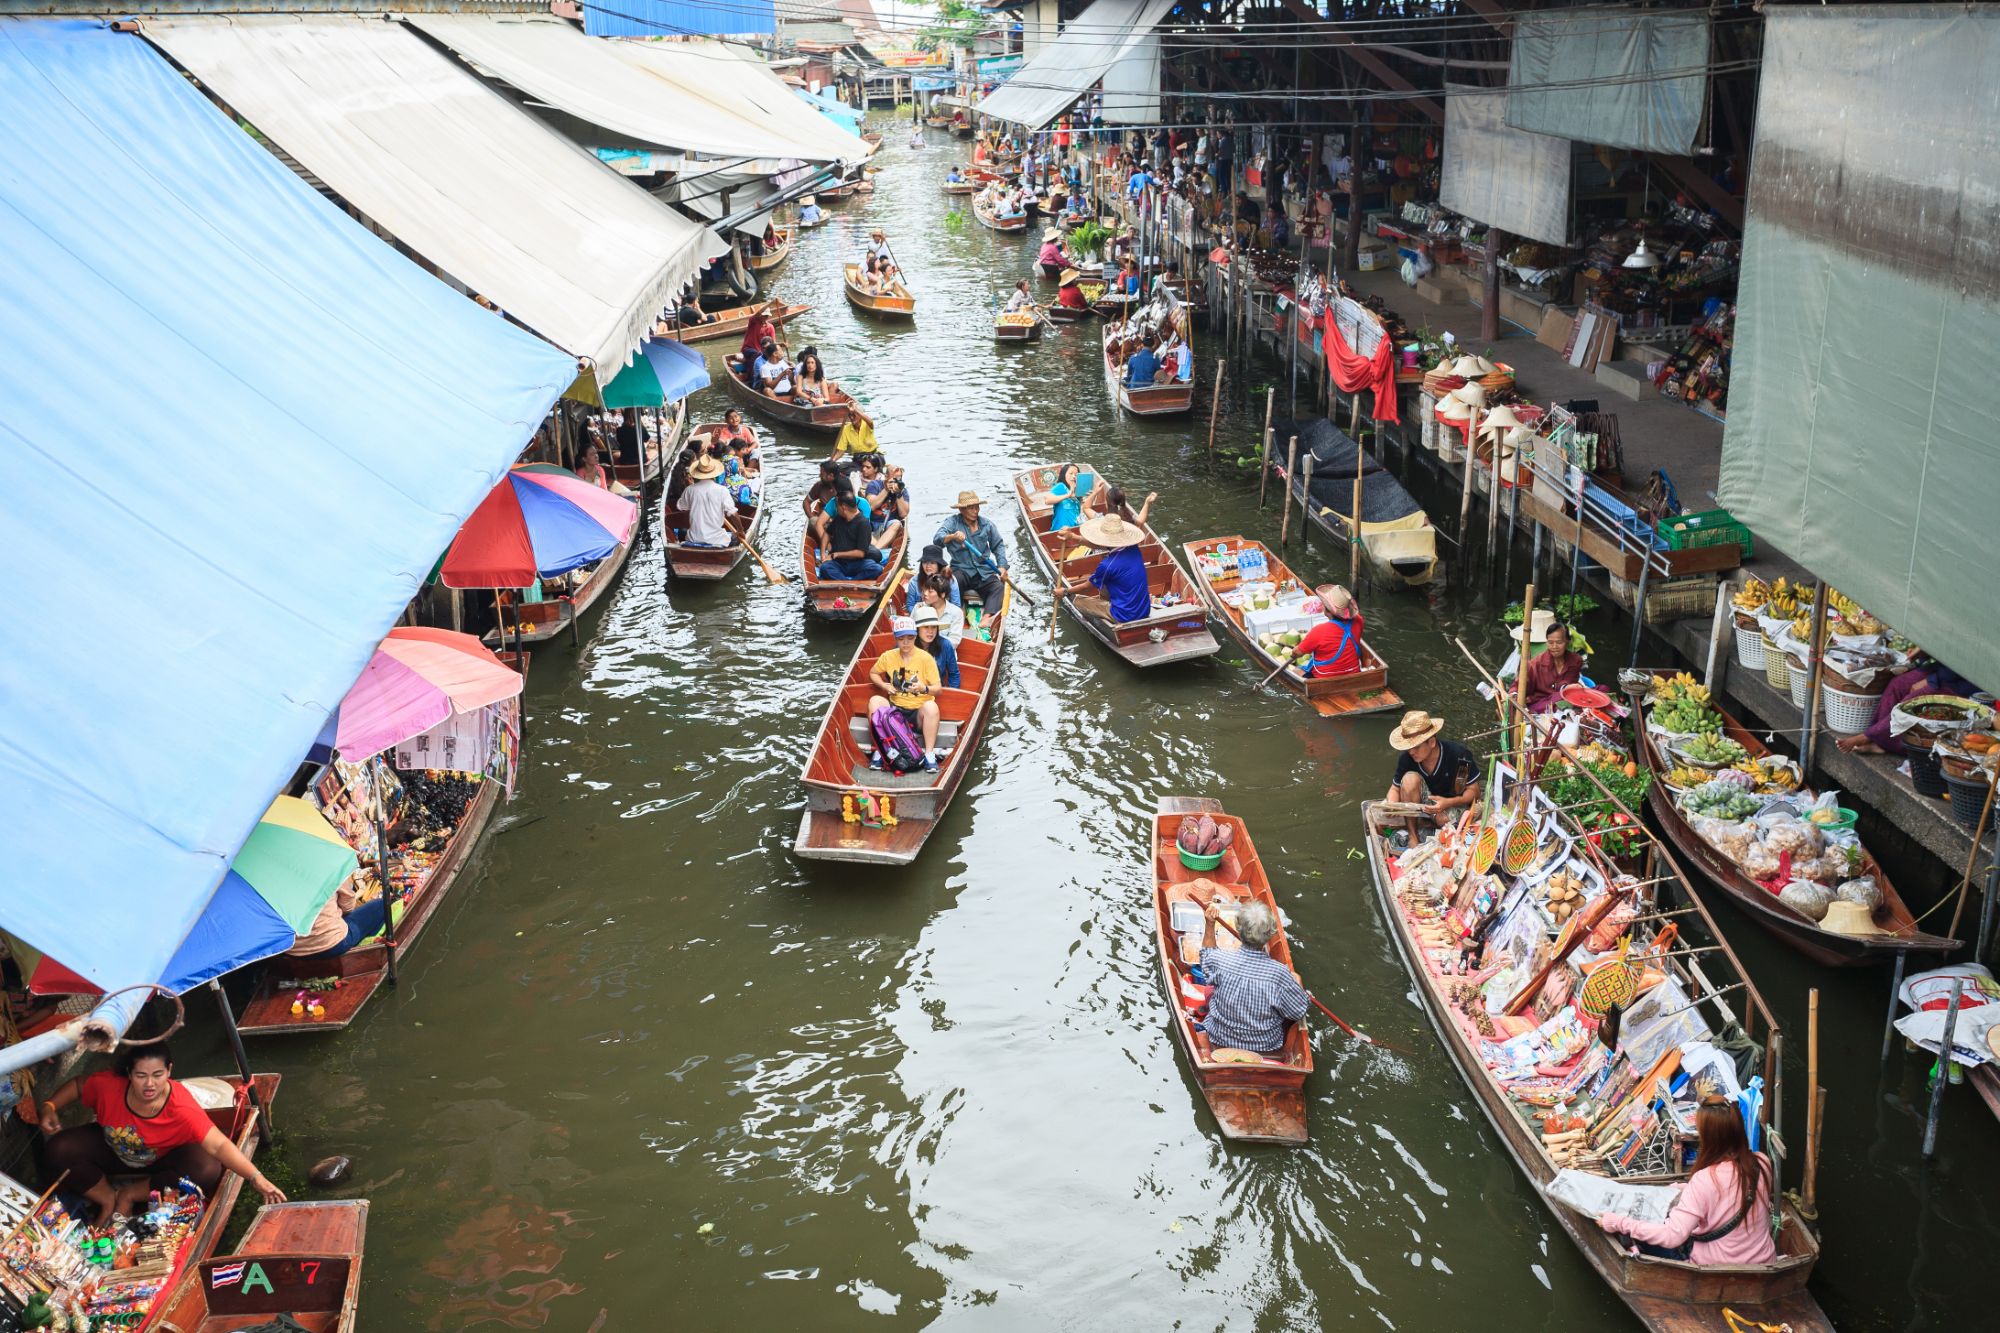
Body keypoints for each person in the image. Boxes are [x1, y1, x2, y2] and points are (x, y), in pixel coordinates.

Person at [38, 1044, 287, 1224]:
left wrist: (256, 1178)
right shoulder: (108, 1086)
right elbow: (79, 1085)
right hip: (113, 1149)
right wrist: (49, 1106)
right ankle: (106, 1199)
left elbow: (219, 1145)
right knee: (58, 1149)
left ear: (169, 1071)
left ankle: (130, 1194)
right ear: (129, 1073)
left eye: (157, 1075)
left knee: (206, 1169)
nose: (150, 1084)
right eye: (141, 1076)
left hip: (161, 1158)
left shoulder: (181, 1107)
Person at [1598, 1098, 1776, 1266]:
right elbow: (1729, 1194)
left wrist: (1619, 1223)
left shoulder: (1705, 1179)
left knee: (1639, 1233)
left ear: (1708, 1138)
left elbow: (1672, 1236)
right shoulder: (1761, 1162)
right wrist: (1685, 1188)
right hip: (1764, 1261)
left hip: (1716, 1266)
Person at [1187, 891, 1308, 1057]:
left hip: (1220, 1039)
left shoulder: (1220, 961)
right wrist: (1298, 987)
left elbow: (1206, 955)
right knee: (1296, 978)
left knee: (1209, 988)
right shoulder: (1279, 974)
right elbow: (1298, 1012)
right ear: (1270, 934)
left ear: (1238, 929)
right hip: (1265, 1046)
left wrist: (1210, 924)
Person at [1837, 653, 1976, 755]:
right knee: (1897, 684)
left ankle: (1867, 736)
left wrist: (1930, 680)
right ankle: (1879, 742)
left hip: (1962, 680)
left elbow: (1966, 661)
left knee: (1913, 700)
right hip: (1942, 668)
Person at [868, 616, 942, 773]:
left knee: (931, 707)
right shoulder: (888, 656)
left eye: (910, 638)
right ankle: (880, 750)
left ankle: (929, 755)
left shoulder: (926, 658)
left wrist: (923, 688)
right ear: (896, 639)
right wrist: (884, 685)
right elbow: (873, 673)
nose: (906, 643)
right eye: (901, 639)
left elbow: (938, 689)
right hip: (894, 712)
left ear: (915, 637)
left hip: (918, 712)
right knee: (875, 701)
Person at [1384, 711, 1482, 822]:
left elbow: (1473, 791)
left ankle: (1434, 820)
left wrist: (1448, 802)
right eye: (1409, 747)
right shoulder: (1406, 758)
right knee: (1408, 779)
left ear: (1431, 742)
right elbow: (1395, 789)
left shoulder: (1459, 755)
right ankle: (1413, 832)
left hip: (1454, 802)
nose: (1411, 752)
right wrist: (1391, 804)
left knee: (1443, 819)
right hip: (1424, 803)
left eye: (1416, 747)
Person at [1056, 513, 1151, 624]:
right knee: (1105, 583)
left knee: (1078, 601)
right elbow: (1099, 545)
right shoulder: (1133, 548)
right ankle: (1106, 604)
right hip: (1144, 611)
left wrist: (1065, 591)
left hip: (1123, 616)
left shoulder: (1107, 565)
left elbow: (1086, 587)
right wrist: (1072, 537)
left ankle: (1106, 617)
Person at [934, 489, 1009, 613]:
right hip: (961, 570)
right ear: (961, 510)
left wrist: (1002, 567)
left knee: (998, 587)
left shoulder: (987, 524)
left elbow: (998, 546)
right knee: (953, 583)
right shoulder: (952, 522)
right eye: (971, 508)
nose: (976, 511)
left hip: (984, 571)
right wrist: (952, 537)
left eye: (977, 507)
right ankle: (957, 611)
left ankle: (987, 618)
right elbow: (937, 540)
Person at [287, 875, 388, 961]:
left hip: (293, 951)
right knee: (380, 905)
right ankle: (365, 951)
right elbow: (348, 906)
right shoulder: (328, 865)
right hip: (333, 944)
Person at [1288, 584, 1365, 677]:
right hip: (1354, 673)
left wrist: (1293, 654)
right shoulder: (1358, 620)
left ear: (1326, 610)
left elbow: (1297, 652)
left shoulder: (1319, 631)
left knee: (1296, 671)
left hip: (1324, 678)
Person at [817, 492, 883, 581]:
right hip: (839, 563)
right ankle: (849, 583)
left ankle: (848, 582)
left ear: (843, 507)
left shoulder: (863, 523)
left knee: (877, 569)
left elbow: (860, 553)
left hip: (858, 563)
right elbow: (827, 534)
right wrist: (823, 555)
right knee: (825, 568)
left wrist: (837, 554)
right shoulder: (838, 518)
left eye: (837, 506)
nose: (836, 508)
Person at [1522, 620, 1583, 713]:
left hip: (1565, 697)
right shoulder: (1535, 664)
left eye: (1559, 642)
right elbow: (1519, 685)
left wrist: (1566, 688)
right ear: (1546, 642)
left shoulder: (1576, 660)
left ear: (1568, 641)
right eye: (1550, 642)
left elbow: (1570, 681)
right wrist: (1516, 695)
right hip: (1541, 702)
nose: (1554, 646)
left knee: (1602, 689)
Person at [679, 454, 738, 548]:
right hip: (717, 540)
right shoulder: (722, 490)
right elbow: (733, 513)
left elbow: (682, 507)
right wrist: (741, 531)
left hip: (694, 538)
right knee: (736, 538)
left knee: (681, 532)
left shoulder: (689, 490)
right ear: (714, 474)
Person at [911, 603, 960, 688]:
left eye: (934, 627)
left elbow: (954, 674)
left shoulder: (945, 645)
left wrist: (952, 694)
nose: (930, 631)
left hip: (936, 692)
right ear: (917, 629)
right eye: (926, 627)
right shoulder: (907, 644)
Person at [1038, 461, 1095, 531]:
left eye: (1076, 475)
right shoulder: (1061, 486)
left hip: (1074, 529)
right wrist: (1068, 495)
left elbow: (1084, 509)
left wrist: (1092, 495)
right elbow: (1047, 500)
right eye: (1071, 473)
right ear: (1064, 475)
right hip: (1060, 530)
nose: (1073, 476)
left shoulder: (1078, 490)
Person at [906, 544, 963, 612]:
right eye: (925, 562)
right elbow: (910, 605)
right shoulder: (914, 581)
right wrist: (919, 614)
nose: (928, 566)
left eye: (932, 563)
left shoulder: (950, 580)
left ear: (939, 564)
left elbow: (956, 605)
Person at [919, 572, 966, 645]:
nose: (925, 593)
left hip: (943, 650)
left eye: (930, 591)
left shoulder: (956, 612)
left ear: (942, 594)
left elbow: (954, 641)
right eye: (924, 590)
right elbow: (912, 631)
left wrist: (933, 643)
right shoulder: (919, 608)